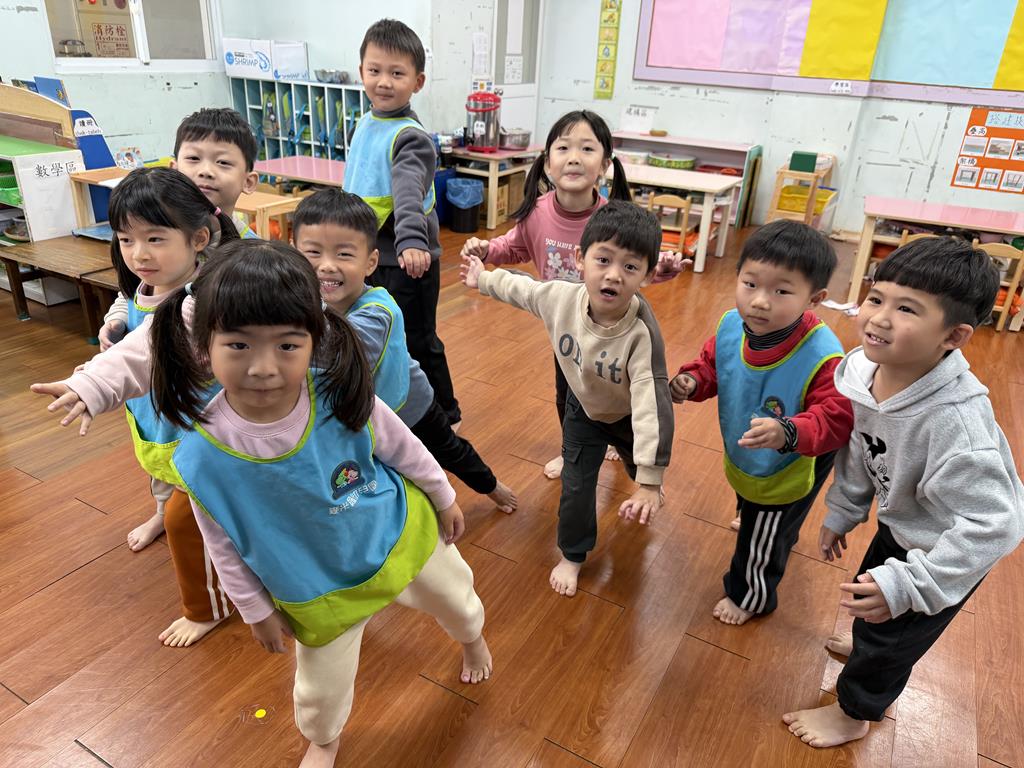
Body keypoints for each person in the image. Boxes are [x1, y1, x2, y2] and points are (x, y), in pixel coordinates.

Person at [150, 240, 491, 768]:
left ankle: (472, 642)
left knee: (459, 602)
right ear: (203, 346)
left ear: (315, 339)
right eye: (238, 345)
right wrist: (255, 608)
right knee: (319, 690)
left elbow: (400, 444)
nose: (264, 367)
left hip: (397, 534)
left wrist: (443, 495)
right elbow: (220, 540)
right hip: (315, 583)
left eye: (288, 345)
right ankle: (325, 739)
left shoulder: (337, 392)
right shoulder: (200, 455)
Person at [783, 238, 1024, 748]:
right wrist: (844, 510)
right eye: (877, 298)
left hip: (947, 550)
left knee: (892, 643)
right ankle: (870, 645)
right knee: (874, 610)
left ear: (954, 336)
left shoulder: (957, 426)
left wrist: (912, 585)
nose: (879, 318)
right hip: (903, 524)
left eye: (907, 309)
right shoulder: (865, 372)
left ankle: (854, 714)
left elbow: (997, 524)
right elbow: (861, 445)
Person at [31, 167, 240, 647]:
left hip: (203, 432)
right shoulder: (148, 283)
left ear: (199, 239)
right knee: (159, 472)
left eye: (155, 239)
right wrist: (114, 320)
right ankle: (162, 512)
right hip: (156, 417)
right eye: (126, 239)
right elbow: (129, 303)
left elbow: (143, 350)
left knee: (190, 521)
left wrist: (89, 384)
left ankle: (206, 607)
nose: (138, 253)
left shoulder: (201, 301)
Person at [462, 201, 673, 597]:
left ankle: (643, 478)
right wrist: (483, 278)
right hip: (583, 409)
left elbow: (653, 407)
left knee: (638, 467)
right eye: (603, 260)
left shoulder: (641, 334)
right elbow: (524, 290)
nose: (614, 275)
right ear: (580, 259)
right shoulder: (561, 297)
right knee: (576, 487)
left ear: (647, 275)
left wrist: (649, 481)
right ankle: (573, 555)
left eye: (630, 267)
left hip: (628, 415)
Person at [460, 109, 686, 479]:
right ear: (548, 162)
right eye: (563, 148)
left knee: (618, 395)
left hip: (614, 331)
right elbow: (515, 247)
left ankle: (627, 448)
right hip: (567, 324)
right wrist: (488, 250)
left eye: (587, 149)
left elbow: (636, 268)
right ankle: (572, 451)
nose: (574, 157)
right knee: (567, 394)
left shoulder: (614, 219)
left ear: (605, 165)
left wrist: (658, 270)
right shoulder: (536, 212)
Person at [670, 220, 853, 625]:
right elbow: (714, 365)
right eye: (750, 284)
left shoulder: (823, 354)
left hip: (793, 457)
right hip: (751, 447)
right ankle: (761, 519)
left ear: (815, 298)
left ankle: (750, 597)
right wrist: (693, 380)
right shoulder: (732, 326)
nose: (760, 301)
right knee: (755, 498)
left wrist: (789, 431)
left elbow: (836, 418)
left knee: (763, 542)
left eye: (781, 291)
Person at [292, 188, 517, 513]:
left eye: (343, 255)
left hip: (408, 406)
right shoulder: (310, 300)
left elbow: (333, 354)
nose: (326, 266)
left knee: (449, 452)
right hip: (365, 416)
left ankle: (492, 486)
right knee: (385, 471)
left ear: (370, 262)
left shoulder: (378, 310)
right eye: (313, 252)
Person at [346, 19, 461, 428]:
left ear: (418, 81)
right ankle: (388, 407)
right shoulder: (365, 123)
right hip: (371, 256)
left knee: (417, 340)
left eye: (397, 73)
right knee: (377, 334)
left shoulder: (411, 136)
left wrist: (412, 241)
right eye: (375, 70)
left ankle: (446, 414)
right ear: (361, 72)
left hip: (408, 260)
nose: (384, 82)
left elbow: (409, 190)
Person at [98, 107, 261, 350]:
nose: (205, 171)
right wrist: (117, 319)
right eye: (193, 159)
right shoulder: (148, 234)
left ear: (248, 181)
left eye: (223, 162)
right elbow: (132, 288)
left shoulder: (251, 252)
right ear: (174, 169)